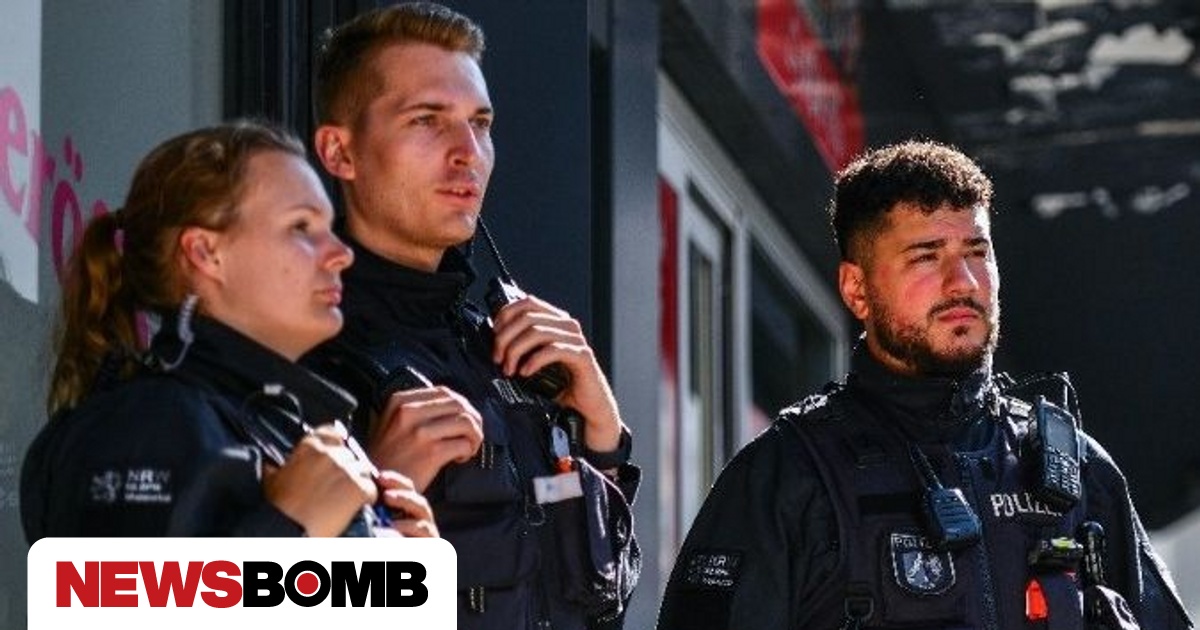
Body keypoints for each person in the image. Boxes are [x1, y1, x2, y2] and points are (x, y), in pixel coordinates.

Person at [657, 140, 1192, 630]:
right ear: (857, 289)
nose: (964, 283)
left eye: (977, 252)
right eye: (927, 257)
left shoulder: (1074, 471)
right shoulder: (789, 477)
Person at [304, 3, 639, 628]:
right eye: (427, 121)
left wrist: (601, 436)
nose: (468, 152)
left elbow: (594, 604)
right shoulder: (300, 352)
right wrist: (373, 495)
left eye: (480, 124)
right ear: (339, 151)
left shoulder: (510, 355)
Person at [21, 121, 436, 540]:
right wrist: (293, 528)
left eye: (327, 228)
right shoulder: (143, 424)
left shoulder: (276, 422)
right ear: (205, 252)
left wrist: (403, 570)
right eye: (301, 227)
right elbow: (108, 585)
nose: (341, 253)